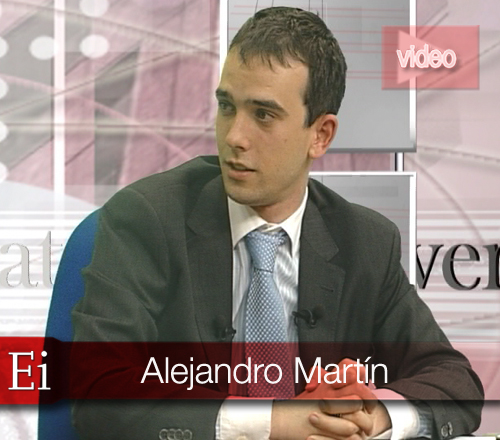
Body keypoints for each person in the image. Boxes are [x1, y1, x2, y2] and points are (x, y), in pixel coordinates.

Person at [71, 6, 483, 440]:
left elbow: (452, 380)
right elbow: (96, 388)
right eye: (226, 106)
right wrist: (278, 422)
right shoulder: (147, 218)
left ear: (320, 135)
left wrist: (374, 413)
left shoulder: (366, 242)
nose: (234, 136)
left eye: (263, 115)